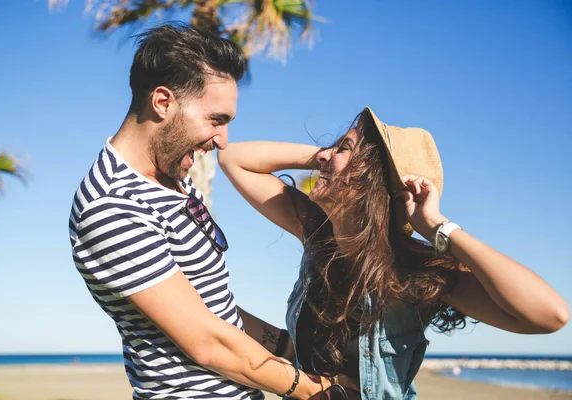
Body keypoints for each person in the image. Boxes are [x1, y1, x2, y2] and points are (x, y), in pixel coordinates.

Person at [218, 106, 569, 399]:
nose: (323, 154)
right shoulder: (316, 235)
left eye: (342, 147)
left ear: (371, 177)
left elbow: (550, 315)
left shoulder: (415, 272)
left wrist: (436, 226)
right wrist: (330, 159)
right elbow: (233, 158)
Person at [68, 23, 329, 400]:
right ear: (163, 102)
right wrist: (317, 392)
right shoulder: (112, 205)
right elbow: (208, 342)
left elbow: (212, 311)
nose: (223, 139)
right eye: (216, 120)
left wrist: (292, 350)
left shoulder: (173, 178)